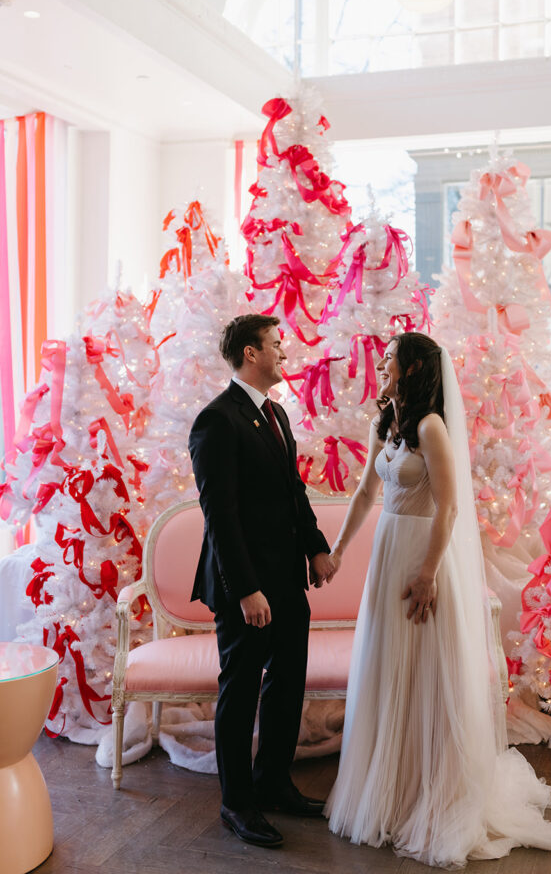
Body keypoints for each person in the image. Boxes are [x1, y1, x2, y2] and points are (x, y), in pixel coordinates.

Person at [325, 332, 551, 867]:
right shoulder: (384, 424)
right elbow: (365, 493)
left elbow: (449, 508)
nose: (381, 363)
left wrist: (428, 573)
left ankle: (431, 792)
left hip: (423, 557)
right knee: (388, 665)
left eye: (390, 358)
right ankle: (390, 789)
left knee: (427, 671)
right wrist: (336, 552)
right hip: (388, 553)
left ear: (412, 369)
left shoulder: (431, 426)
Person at [188, 314, 334, 849]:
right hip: (244, 586)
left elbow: (293, 489)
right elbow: (220, 516)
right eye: (276, 344)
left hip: (287, 579)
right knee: (241, 689)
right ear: (251, 353)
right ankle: (237, 803)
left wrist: (316, 547)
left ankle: (273, 782)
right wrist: (246, 589)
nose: (284, 353)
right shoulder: (216, 420)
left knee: (287, 683)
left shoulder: (275, 413)